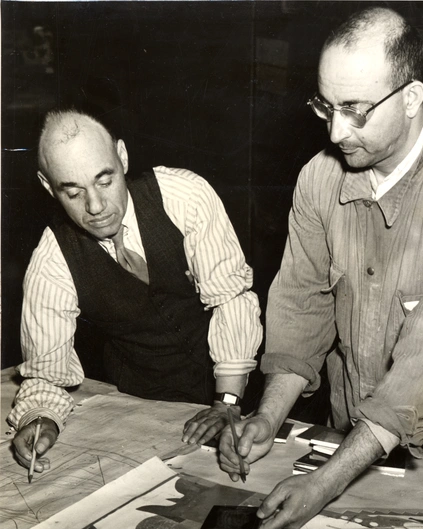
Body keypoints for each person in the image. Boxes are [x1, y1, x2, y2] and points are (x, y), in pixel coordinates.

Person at [219, 7, 423, 529]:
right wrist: (268, 416)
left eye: (356, 110)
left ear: (411, 98)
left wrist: (325, 482)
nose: (337, 131)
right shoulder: (319, 180)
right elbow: (301, 307)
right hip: (355, 439)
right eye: (326, 107)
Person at [9, 108, 263, 474]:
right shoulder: (51, 262)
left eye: (104, 180)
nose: (95, 207)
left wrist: (227, 400)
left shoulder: (184, 196)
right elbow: (46, 372)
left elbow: (231, 300)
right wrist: (40, 416)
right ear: (49, 187)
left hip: (242, 391)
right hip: (148, 412)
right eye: (73, 191)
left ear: (123, 158)